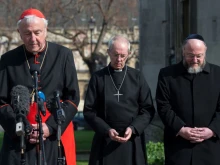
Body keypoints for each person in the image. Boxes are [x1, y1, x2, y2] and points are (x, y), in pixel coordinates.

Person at [0, 8, 80, 165]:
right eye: (27, 33)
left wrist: (50, 127)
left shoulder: (63, 55)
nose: (33, 38)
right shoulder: (8, 60)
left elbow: (72, 98)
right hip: (19, 139)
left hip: (54, 134)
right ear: (19, 32)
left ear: (46, 31)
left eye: (37, 32)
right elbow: (1, 102)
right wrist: (21, 128)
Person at [83, 35, 155, 165]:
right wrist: (106, 130)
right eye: (116, 55)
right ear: (108, 52)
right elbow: (89, 111)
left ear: (129, 54)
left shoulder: (137, 77)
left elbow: (148, 109)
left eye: (123, 55)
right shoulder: (98, 78)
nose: (119, 59)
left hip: (132, 139)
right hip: (105, 139)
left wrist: (133, 128)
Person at [156, 34, 220, 165]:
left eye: (199, 55)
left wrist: (212, 130)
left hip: (211, 147)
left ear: (205, 52)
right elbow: (163, 106)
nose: (195, 59)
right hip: (178, 147)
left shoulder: (218, 74)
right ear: (183, 52)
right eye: (190, 55)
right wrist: (181, 129)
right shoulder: (167, 75)